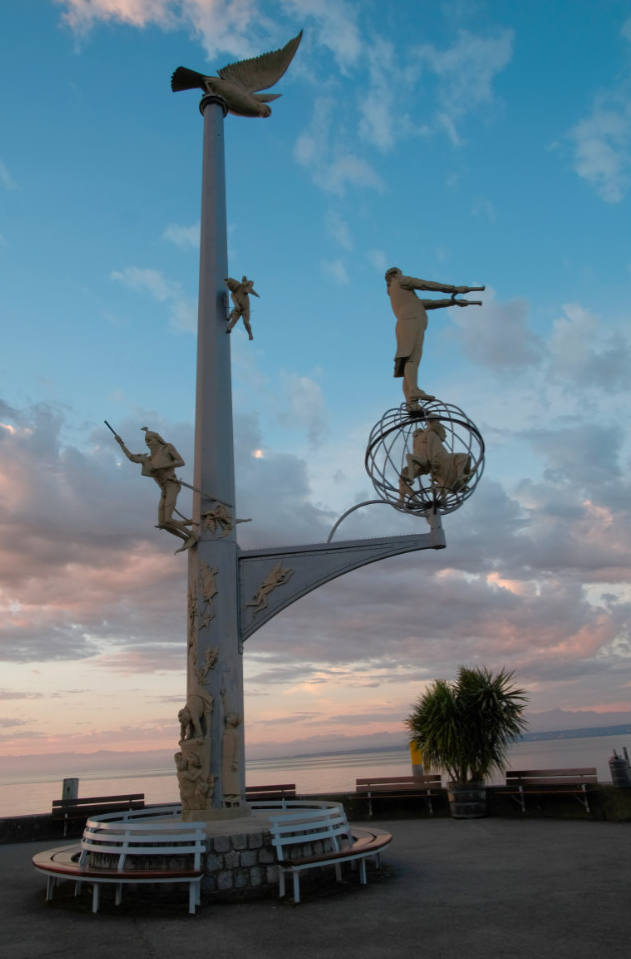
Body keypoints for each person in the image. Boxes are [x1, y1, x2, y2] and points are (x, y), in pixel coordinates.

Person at [385, 267, 484, 411]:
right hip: (412, 322)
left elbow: (424, 303)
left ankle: (411, 402)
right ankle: (413, 390)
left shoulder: (399, 293)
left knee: (408, 361)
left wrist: (452, 302)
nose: (402, 274)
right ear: (395, 274)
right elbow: (426, 284)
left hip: (406, 323)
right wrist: (454, 288)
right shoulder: (401, 281)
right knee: (412, 359)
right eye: (400, 272)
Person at [114, 427, 199, 552]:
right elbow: (132, 458)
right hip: (164, 490)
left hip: (172, 484)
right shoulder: (150, 458)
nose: (147, 444)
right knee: (163, 523)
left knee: (168, 519)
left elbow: (181, 462)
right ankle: (186, 537)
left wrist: (162, 467)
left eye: (149, 440)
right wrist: (120, 443)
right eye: (146, 442)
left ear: (156, 439)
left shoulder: (167, 448)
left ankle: (193, 535)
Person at [225, 275, 259, 340]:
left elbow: (251, 282)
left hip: (245, 309)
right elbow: (235, 301)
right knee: (234, 319)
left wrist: (248, 288)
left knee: (246, 322)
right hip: (238, 309)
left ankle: (250, 334)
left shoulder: (242, 286)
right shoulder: (233, 294)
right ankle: (229, 328)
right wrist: (236, 305)